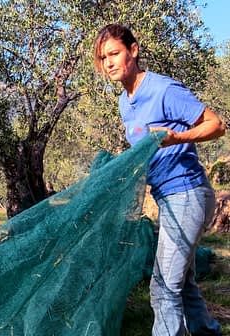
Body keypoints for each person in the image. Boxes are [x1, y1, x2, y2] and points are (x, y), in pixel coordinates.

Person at [94, 24, 225, 336]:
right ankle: (207, 331)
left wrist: (179, 136)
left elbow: (216, 125)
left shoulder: (163, 90)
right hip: (166, 196)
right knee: (183, 281)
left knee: (163, 286)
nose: (109, 62)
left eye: (115, 53)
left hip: (188, 192)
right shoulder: (125, 102)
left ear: (134, 50)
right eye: (103, 57)